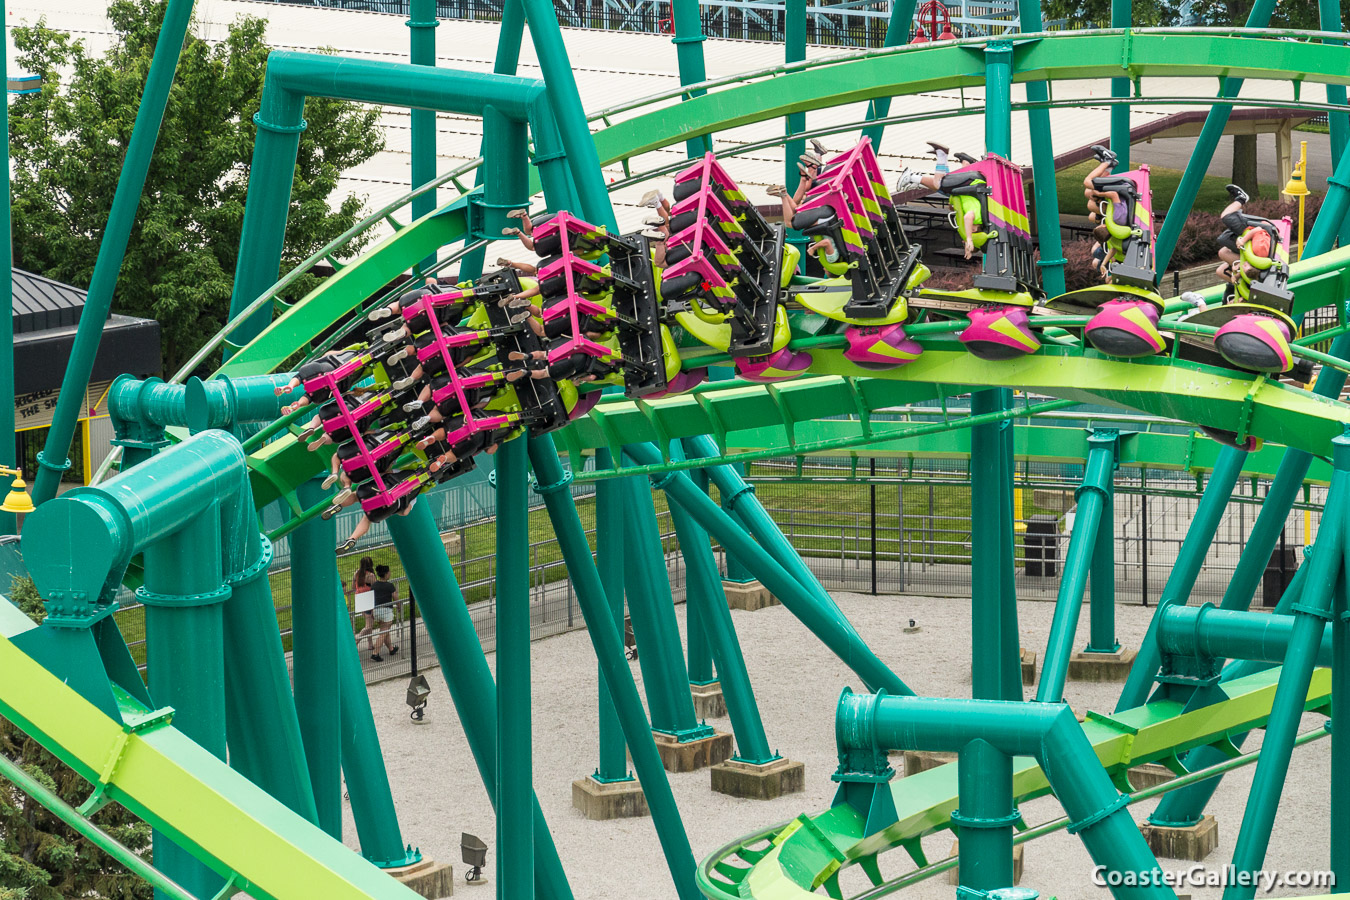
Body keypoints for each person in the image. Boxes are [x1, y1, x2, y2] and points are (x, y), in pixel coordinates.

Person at [367, 564, 400, 661]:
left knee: (385, 631)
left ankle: (391, 649)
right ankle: (375, 653)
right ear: (386, 574)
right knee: (383, 633)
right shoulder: (389, 586)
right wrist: (398, 606)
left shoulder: (374, 585)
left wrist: (372, 612)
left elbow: (371, 598)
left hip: (376, 610)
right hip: (386, 611)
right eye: (389, 572)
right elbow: (395, 597)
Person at [348, 556, 375, 641]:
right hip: (368, 599)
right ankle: (357, 639)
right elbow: (375, 587)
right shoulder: (370, 575)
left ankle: (370, 644)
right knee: (369, 625)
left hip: (359, 598)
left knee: (369, 622)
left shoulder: (356, 573)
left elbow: (353, 587)